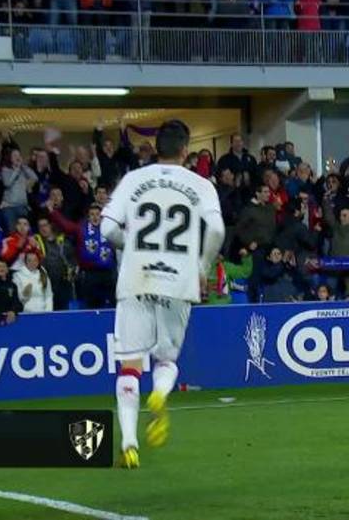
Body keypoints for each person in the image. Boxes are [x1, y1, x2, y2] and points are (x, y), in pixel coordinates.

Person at [100, 119, 225, 469]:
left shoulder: (133, 180)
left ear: (157, 148)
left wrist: (134, 245)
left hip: (136, 279)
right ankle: (160, 394)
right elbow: (215, 229)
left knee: (129, 364)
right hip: (179, 279)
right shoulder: (200, 184)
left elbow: (107, 227)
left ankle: (128, 442)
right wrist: (201, 267)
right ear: (186, 150)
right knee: (166, 360)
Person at [33, 217, 76, 311]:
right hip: (46, 283)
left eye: (45, 225)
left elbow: (72, 260)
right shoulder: (36, 243)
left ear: (51, 226)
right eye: (40, 226)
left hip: (63, 283)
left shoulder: (63, 241)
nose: (43, 228)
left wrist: (72, 271)